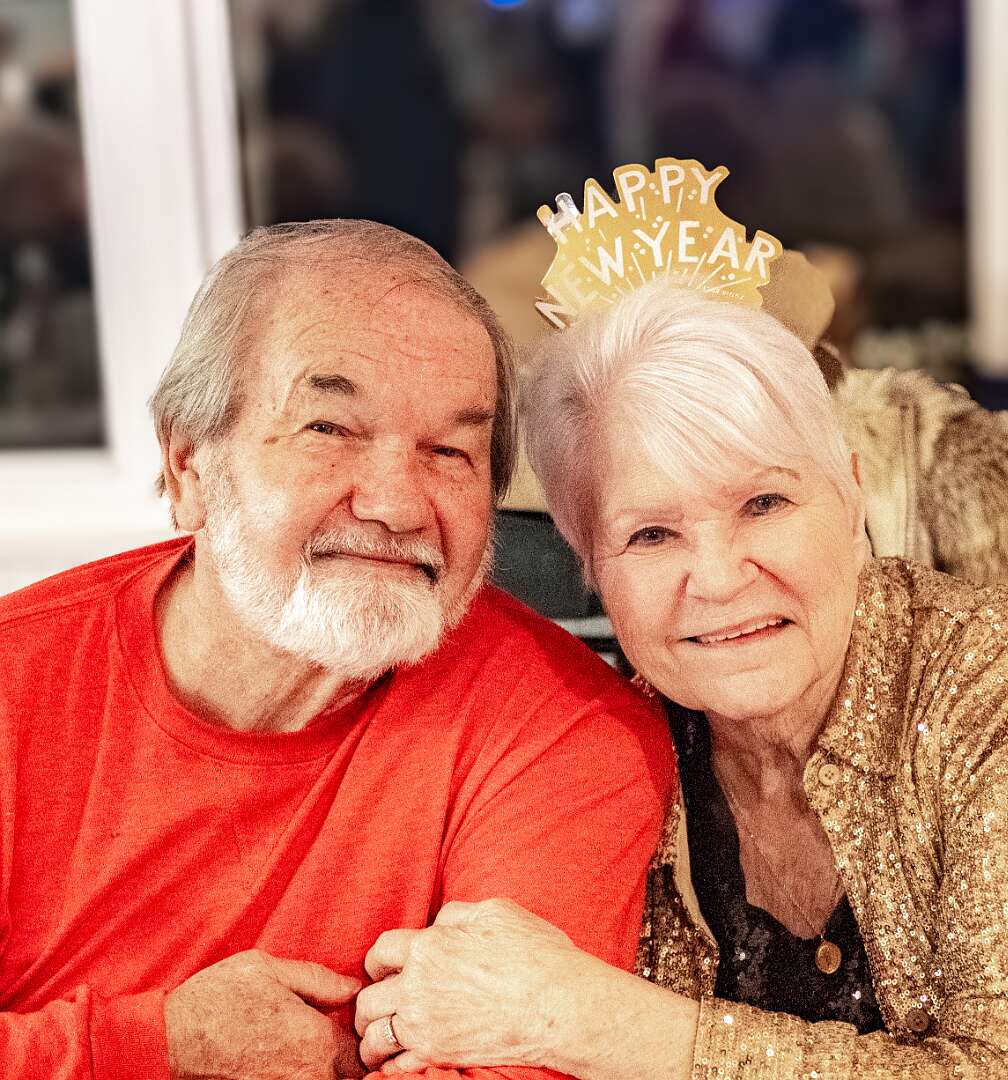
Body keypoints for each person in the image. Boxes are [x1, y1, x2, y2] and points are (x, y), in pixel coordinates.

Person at [355, 279, 1008, 1078]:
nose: (719, 579)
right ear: (591, 567)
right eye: (651, 534)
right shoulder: (591, 756)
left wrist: (592, 1020)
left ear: (850, 499)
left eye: (763, 503)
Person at [0, 220, 673, 1079]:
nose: (397, 504)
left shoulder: (564, 731)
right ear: (190, 465)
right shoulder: (16, 681)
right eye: (329, 428)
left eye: (451, 451)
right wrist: (162, 1043)